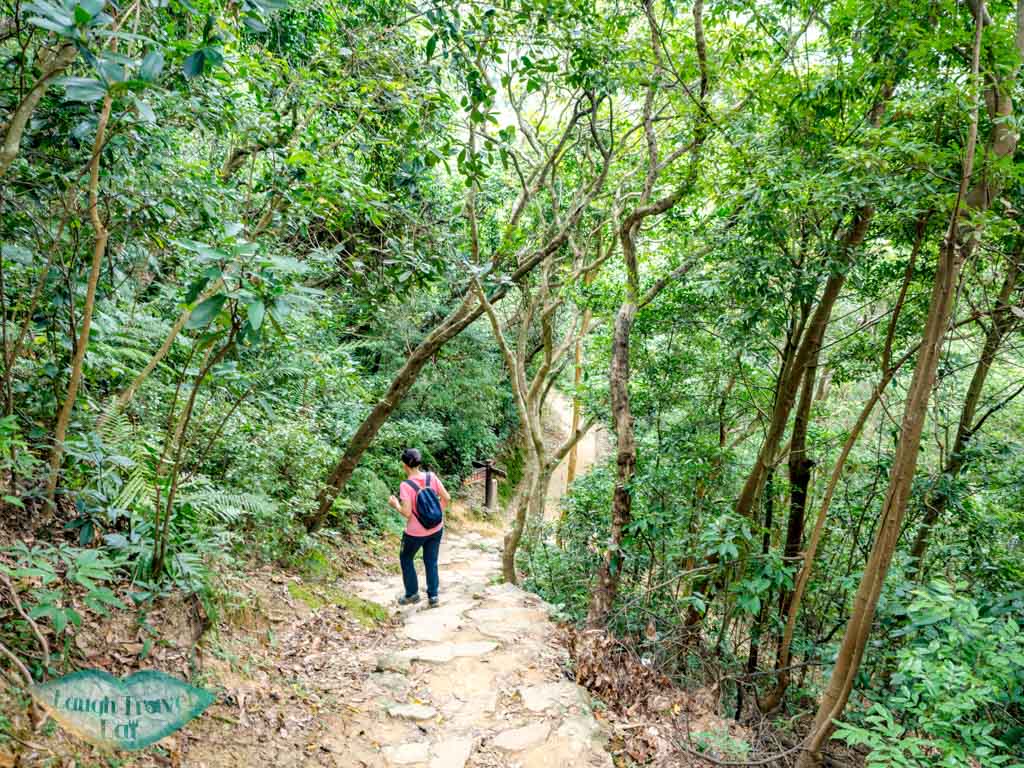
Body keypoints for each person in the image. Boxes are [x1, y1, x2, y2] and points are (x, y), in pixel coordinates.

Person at [387, 448, 449, 607]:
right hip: (436, 528)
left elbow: (407, 513)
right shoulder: (431, 477)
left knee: (406, 558)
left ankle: (412, 594)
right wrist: (434, 515)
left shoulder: (406, 485)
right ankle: (433, 596)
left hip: (415, 532)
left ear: (405, 465)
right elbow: (446, 498)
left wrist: (395, 505)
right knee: (431, 560)